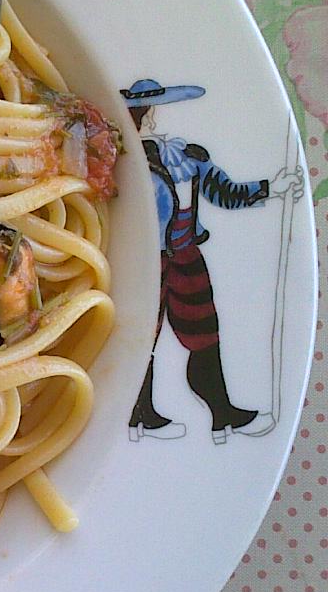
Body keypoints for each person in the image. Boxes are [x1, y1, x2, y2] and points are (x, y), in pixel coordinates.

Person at [122, 79, 301, 444]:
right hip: (144, 263)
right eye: (153, 112)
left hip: (187, 256)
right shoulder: (124, 162)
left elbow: (225, 193)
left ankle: (222, 414)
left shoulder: (190, 158)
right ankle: (139, 415)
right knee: (143, 337)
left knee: (204, 334)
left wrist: (272, 189)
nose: (156, 120)